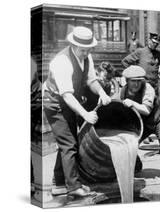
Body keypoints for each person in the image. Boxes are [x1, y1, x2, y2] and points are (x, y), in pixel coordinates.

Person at [43, 26, 111, 197]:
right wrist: (85, 114)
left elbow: (91, 80)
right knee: (69, 144)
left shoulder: (87, 57)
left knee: (68, 142)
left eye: (88, 50)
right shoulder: (62, 62)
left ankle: (59, 184)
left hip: (67, 101)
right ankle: (74, 187)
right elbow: (67, 95)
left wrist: (102, 92)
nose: (85, 53)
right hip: (54, 102)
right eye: (83, 50)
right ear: (73, 45)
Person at [120, 65, 160, 188]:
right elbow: (116, 101)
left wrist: (132, 103)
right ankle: (137, 165)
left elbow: (146, 110)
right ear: (127, 81)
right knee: (129, 142)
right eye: (133, 81)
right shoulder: (123, 91)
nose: (136, 84)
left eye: (138, 81)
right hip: (143, 123)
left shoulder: (148, 88)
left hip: (158, 119)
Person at [122, 32, 160, 101]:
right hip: (142, 85)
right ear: (149, 40)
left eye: (157, 43)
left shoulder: (158, 54)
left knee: (155, 104)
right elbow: (125, 61)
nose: (155, 45)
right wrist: (133, 75)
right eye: (153, 42)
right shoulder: (140, 52)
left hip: (155, 85)